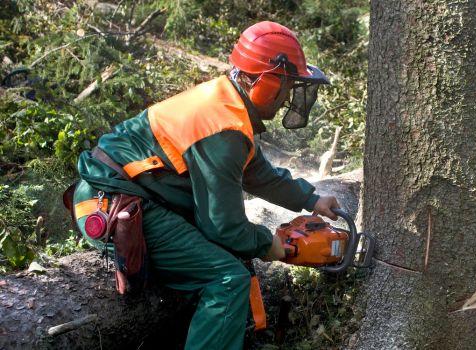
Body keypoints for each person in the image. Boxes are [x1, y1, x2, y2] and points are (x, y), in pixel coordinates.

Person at [72, 20, 339, 350]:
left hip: (134, 196)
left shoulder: (226, 107)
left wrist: (312, 198)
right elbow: (224, 227)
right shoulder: (222, 127)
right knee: (228, 279)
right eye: (286, 87)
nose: (287, 98)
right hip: (117, 205)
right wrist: (268, 244)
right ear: (265, 83)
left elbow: (259, 175)